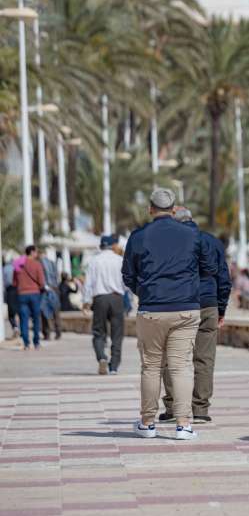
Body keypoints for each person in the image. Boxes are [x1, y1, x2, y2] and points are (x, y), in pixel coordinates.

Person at [123, 188, 216, 440]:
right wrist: (189, 288)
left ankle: (147, 423)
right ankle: (184, 424)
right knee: (182, 367)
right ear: (174, 210)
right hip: (185, 308)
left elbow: (128, 274)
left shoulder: (138, 236)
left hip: (152, 308)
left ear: (150, 209)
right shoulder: (192, 235)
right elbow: (209, 268)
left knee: (151, 366)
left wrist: (144, 291)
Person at [160, 208, 231, 424]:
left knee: (173, 357)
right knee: (204, 359)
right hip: (208, 305)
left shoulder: (170, 243)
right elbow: (224, 278)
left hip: (179, 304)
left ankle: (173, 407)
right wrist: (221, 309)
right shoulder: (212, 242)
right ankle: (200, 409)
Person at [83, 235, 126, 375]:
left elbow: (88, 283)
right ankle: (113, 366)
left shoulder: (94, 261)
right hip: (116, 298)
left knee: (98, 332)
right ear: (112, 246)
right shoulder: (120, 260)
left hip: (100, 298)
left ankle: (101, 356)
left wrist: (86, 301)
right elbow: (126, 283)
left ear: (101, 246)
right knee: (117, 334)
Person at [13, 246, 46, 351]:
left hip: (22, 294)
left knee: (23, 319)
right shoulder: (37, 264)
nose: (37, 254)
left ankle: (26, 343)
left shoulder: (18, 264)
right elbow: (41, 282)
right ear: (32, 252)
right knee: (36, 318)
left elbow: (14, 282)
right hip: (34, 294)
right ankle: (36, 342)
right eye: (36, 252)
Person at [39, 250, 62, 341]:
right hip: (55, 289)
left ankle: (47, 333)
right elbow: (57, 276)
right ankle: (58, 331)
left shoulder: (39, 263)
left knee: (44, 312)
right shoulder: (52, 263)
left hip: (45, 290)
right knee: (56, 312)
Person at [3, 259, 19, 337]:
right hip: (18, 290)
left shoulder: (5, 268)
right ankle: (19, 329)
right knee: (19, 311)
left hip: (9, 290)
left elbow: (3, 282)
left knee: (11, 313)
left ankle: (15, 327)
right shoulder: (17, 267)